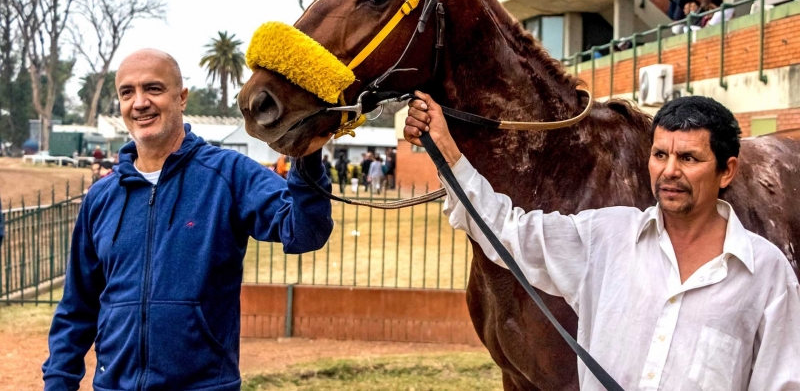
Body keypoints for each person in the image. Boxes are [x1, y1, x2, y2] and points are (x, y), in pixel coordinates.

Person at [404, 92, 800, 390]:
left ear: (727, 171)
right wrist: (449, 155)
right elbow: (507, 232)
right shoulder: (606, 237)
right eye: (660, 155)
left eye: (689, 159)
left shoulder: (767, 275)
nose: (670, 172)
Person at [42, 49, 333, 391]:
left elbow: (304, 232)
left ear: (181, 98)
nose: (139, 103)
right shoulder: (101, 196)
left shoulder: (229, 174)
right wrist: (58, 382)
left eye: (153, 89)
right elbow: (77, 308)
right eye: (127, 92)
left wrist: (307, 157)